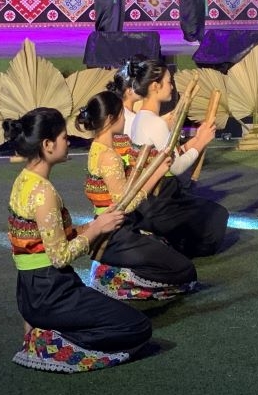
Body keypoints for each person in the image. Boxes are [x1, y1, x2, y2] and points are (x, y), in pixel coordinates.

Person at [5, 108, 151, 372]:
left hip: (30, 292)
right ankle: (49, 341)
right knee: (137, 326)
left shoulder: (23, 181)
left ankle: (43, 328)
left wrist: (96, 224)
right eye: (63, 137)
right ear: (48, 145)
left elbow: (49, 239)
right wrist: (97, 230)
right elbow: (59, 256)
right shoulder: (43, 192)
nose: (68, 141)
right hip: (51, 292)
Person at [76, 92, 198, 300]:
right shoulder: (108, 156)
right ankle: (115, 279)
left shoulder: (97, 147)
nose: (125, 119)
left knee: (165, 245)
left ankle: (115, 269)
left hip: (111, 228)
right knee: (185, 271)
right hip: (115, 233)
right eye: (122, 114)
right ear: (111, 119)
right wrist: (158, 171)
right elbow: (127, 204)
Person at [130, 59, 228, 257]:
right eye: (169, 82)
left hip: (146, 200)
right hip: (159, 202)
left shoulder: (140, 117)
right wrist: (201, 141)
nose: (172, 87)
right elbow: (177, 167)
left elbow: (167, 155)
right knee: (217, 216)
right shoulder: (156, 123)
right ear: (155, 86)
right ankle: (168, 245)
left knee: (208, 211)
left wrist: (197, 139)